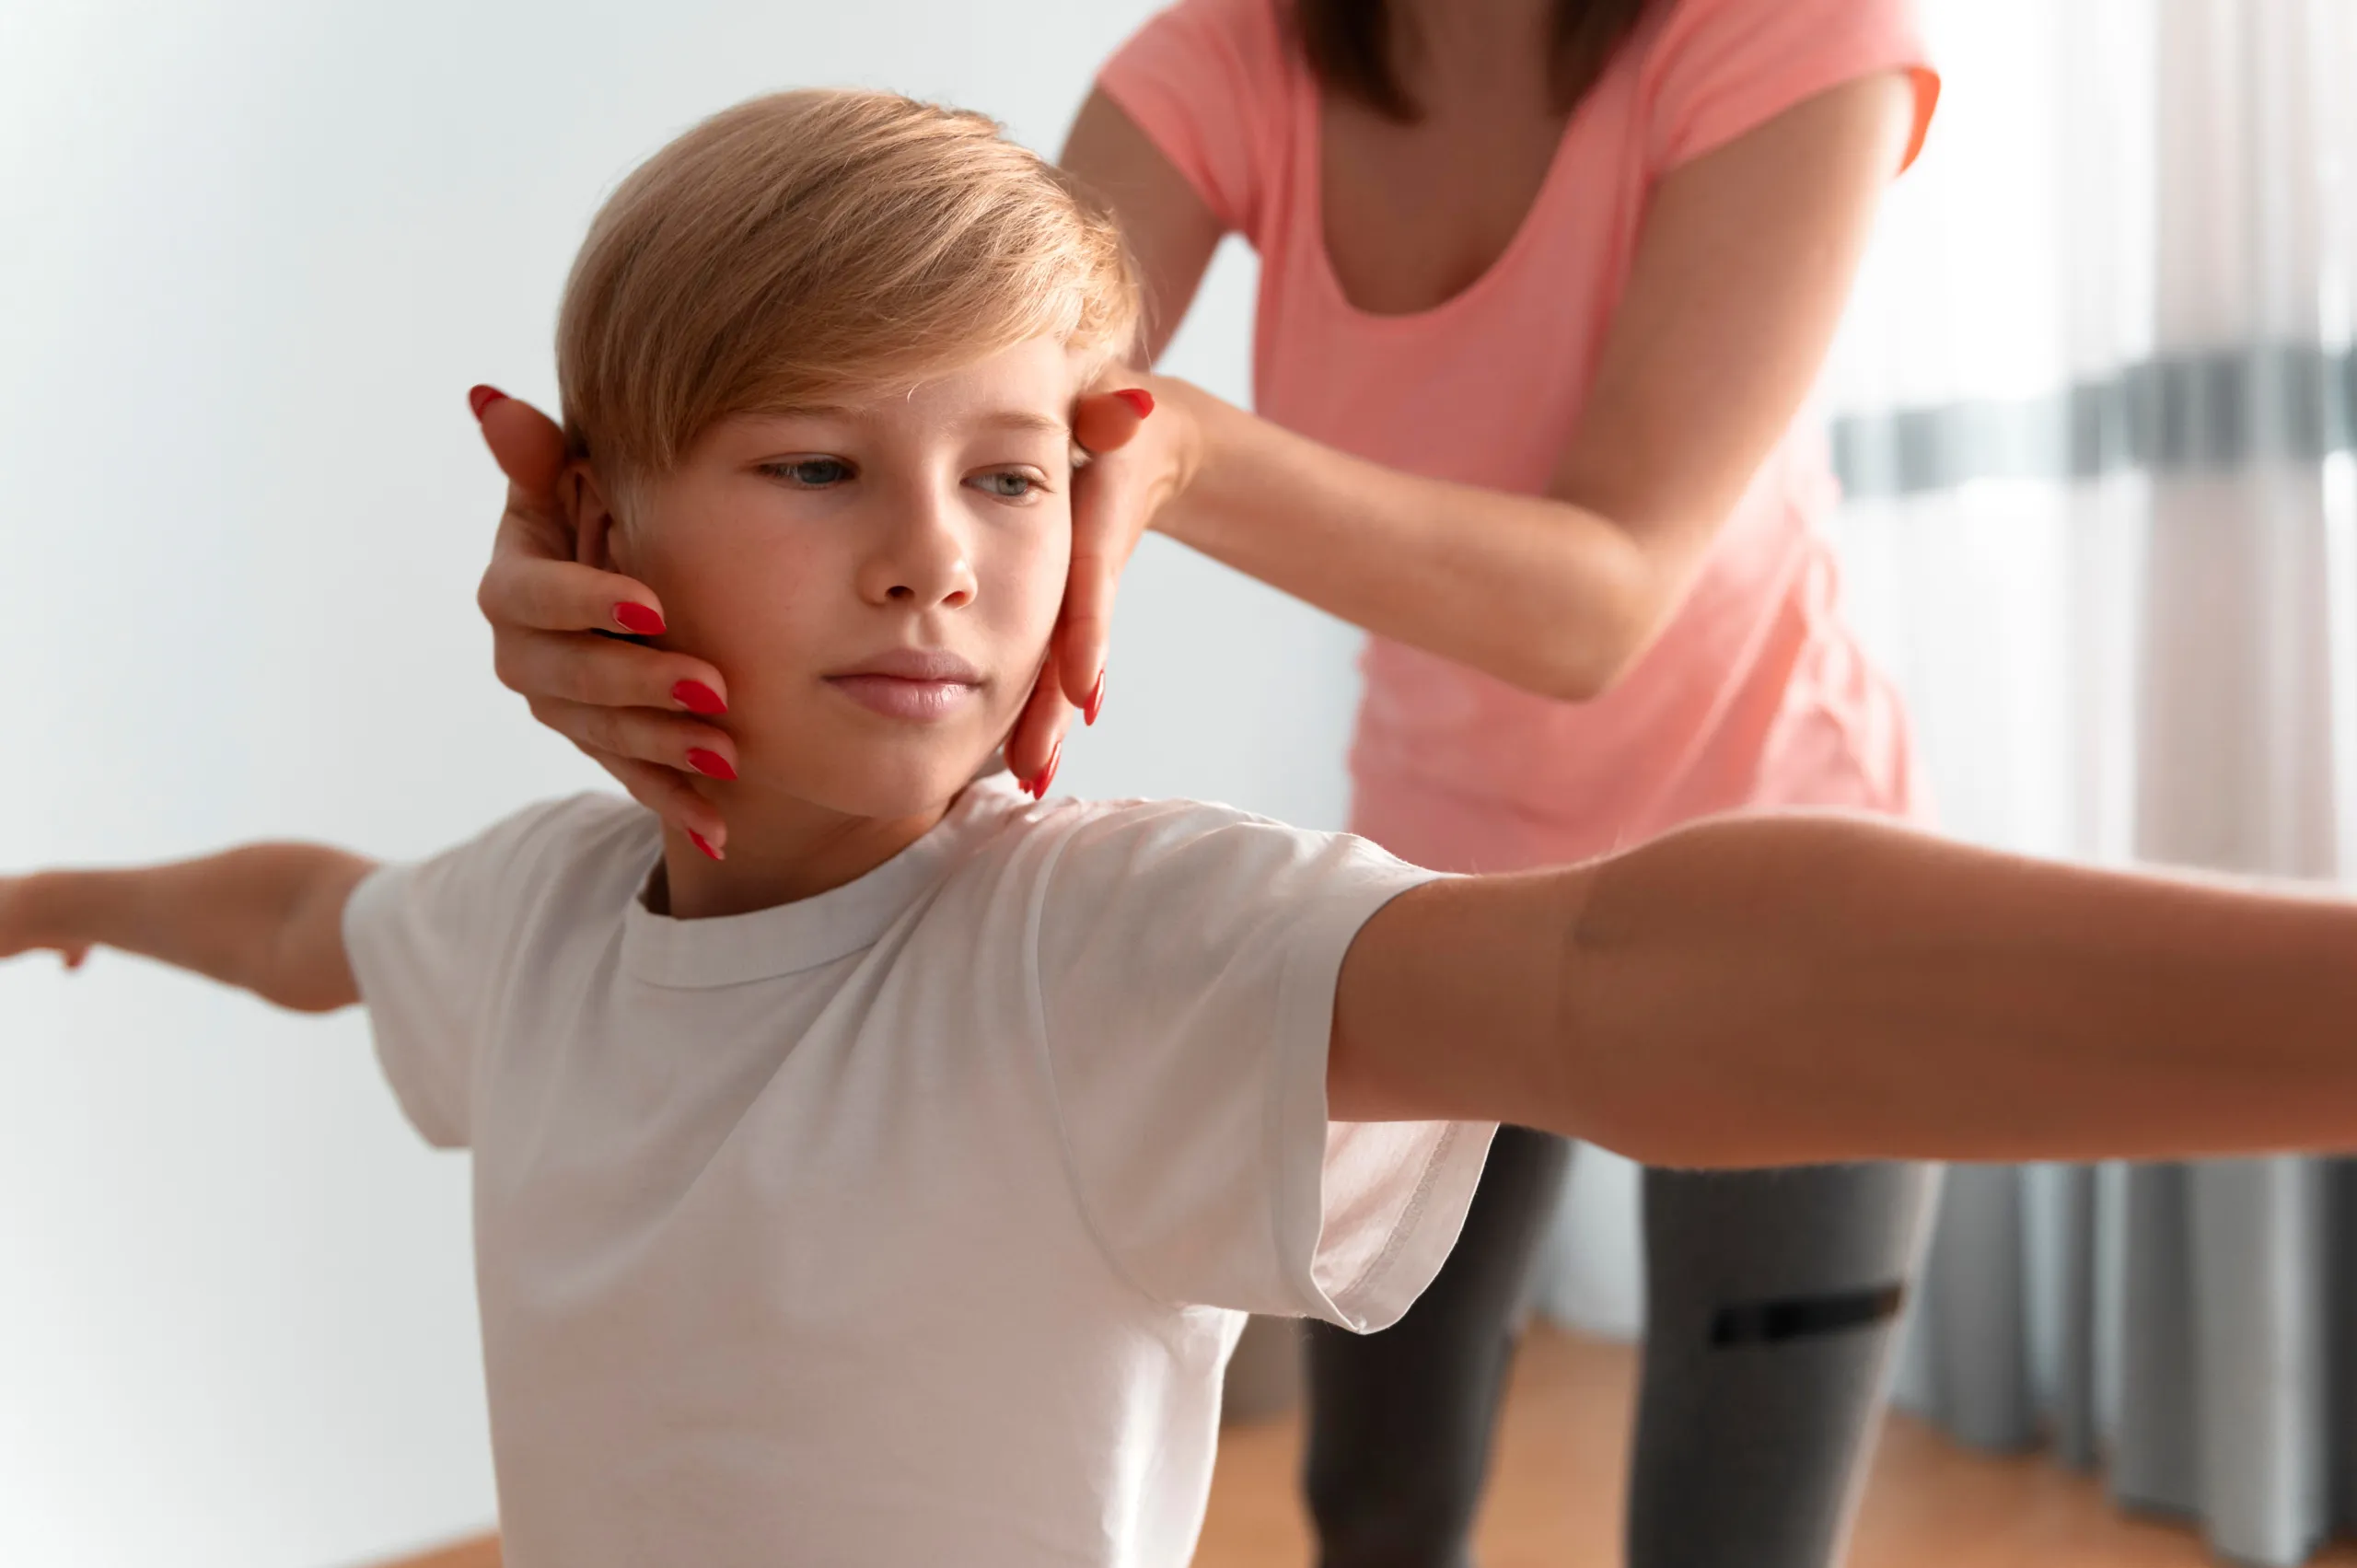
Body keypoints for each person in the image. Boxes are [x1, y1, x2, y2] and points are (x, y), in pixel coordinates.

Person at [16, 83, 2357, 1568]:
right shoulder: (528, 920)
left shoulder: (1103, 947)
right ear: (584, 503)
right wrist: (50, 898)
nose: (939, 551)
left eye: (1015, 475)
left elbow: (1599, 974)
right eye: (819, 466)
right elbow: (315, 917)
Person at [477, 1, 1949, 1562]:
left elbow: (1598, 605)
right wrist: (597, 546)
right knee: (1380, 1503)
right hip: (1442, 865)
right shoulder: (1237, 60)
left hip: (1774, 841)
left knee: (1745, 1533)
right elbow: (953, 362)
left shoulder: (1795, 31)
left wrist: (1185, 449)